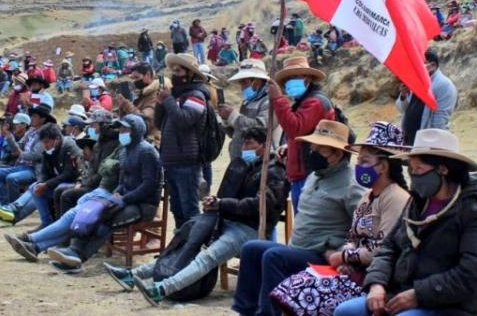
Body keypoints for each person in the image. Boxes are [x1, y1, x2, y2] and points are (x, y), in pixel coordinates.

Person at [333, 129, 477, 316]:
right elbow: (388, 248)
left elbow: (473, 273)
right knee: (345, 312)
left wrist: (419, 294)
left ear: (443, 169)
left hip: (449, 306)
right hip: (401, 294)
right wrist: (377, 283)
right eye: (411, 169)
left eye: (419, 169)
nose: (413, 176)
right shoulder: (417, 202)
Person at [108, 125, 290, 306]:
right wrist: (215, 202)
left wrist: (222, 204)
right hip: (226, 219)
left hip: (249, 229)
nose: (244, 148)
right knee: (185, 244)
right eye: (243, 143)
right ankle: (133, 275)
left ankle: (162, 289)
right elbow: (229, 194)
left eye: (249, 143)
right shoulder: (246, 165)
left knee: (207, 257)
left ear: (264, 145)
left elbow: (260, 206)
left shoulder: (275, 172)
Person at [270, 122, 411, 315]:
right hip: (352, 270)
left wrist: (343, 257)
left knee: (304, 294)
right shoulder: (367, 197)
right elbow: (352, 236)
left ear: (383, 166)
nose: (358, 167)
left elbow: (380, 248)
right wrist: (346, 254)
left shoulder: (396, 198)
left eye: (364, 162)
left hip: (376, 277)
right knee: (292, 289)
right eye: (358, 161)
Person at [231, 120, 364, 316]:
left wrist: (343, 253)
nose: (312, 152)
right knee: (252, 248)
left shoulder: (352, 185)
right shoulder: (315, 175)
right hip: (298, 247)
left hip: (321, 255)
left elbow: (363, 227)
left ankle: (270, 314)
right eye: (313, 146)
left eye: (320, 149)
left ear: (337, 154)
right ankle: (246, 311)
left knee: (273, 257)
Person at [43, 114, 162, 271]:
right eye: (120, 129)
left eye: (125, 129)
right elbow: (121, 182)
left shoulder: (147, 152)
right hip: (125, 199)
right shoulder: (125, 151)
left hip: (143, 205)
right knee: (94, 212)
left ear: (136, 131)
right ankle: (73, 252)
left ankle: (77, 257)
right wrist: (116, 195)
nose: (121, 132)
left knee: (106, 219)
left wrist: (124, 199)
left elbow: (149, 185)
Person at [269, 56, 334, 211]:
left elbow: (295, 128)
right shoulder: (303, 102)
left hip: (310, 174)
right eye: (289, 78)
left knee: (307, 222)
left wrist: (278, 99)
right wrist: (288, 147)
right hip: (302, 174)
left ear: (308, 78)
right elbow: (300, 134)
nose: (292, 81)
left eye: (296, 76)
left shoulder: (315, 102)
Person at [154, 53, 210, 227]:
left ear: (190, 73)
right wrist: (160, 103)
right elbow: (158, 123)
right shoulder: (177, 96)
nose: (174, 75)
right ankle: (180, 247)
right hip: (172, 161)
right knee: (177, 209)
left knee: (189, 209)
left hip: (187, 162)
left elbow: (184, 120)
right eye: (173, 71)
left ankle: (193, 248)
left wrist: (168, 99)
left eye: (178, 71)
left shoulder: (196, 95)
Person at [0, 122, 81, 229]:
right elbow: (45, 172)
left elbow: (70, 174)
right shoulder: (48, 148)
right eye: (43, 143)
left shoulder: (69, 146)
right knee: (36, 187)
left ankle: (18, 213)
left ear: (57, 139)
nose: (45, 146)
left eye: (47, 142)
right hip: (57, 180)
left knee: (40, 188)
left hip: (73, 183)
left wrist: (46, 184)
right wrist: (42, 182)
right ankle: (17, 214)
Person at [0, 104, 53, 207]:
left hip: (33, 169)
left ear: (43, 119)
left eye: (35, 116)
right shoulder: (31, 132)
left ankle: (15, 206)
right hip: (21, 166)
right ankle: (5, 203)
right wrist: (8, 135)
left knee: (11, 178)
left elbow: (36, 155)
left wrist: (20, 154)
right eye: (32, 116)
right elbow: (18, 147)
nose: (32, 118)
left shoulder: (45, 134)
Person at [396, 49, 457, 146]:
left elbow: (440, 120)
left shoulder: (444, 85)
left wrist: (432, 144)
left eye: (420, 64)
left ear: (432, 66)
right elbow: (401, 109)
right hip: (408, 138)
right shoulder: (415, 80)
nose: (416, 67)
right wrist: (403, 95)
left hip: (426, 142)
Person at [218, 59, 273, 160]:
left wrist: (233, 116)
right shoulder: (247, 102)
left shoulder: (269, 101)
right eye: (241, 83)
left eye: (245, 82)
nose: (242, 87)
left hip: (259, 160)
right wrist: (226, 120)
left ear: (258, 80)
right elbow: (237, 132)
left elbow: (261, 127)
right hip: (241, 158)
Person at [116, 62, 169, 145]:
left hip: (152, 141)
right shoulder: (142, 94)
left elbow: (144, 119)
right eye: (133, 78)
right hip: (139, 139)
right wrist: (121, 107)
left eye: (137, 77)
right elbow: (126, 120)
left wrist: (126, 104)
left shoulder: (156, 95)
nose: (135, 81)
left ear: (147, 75)